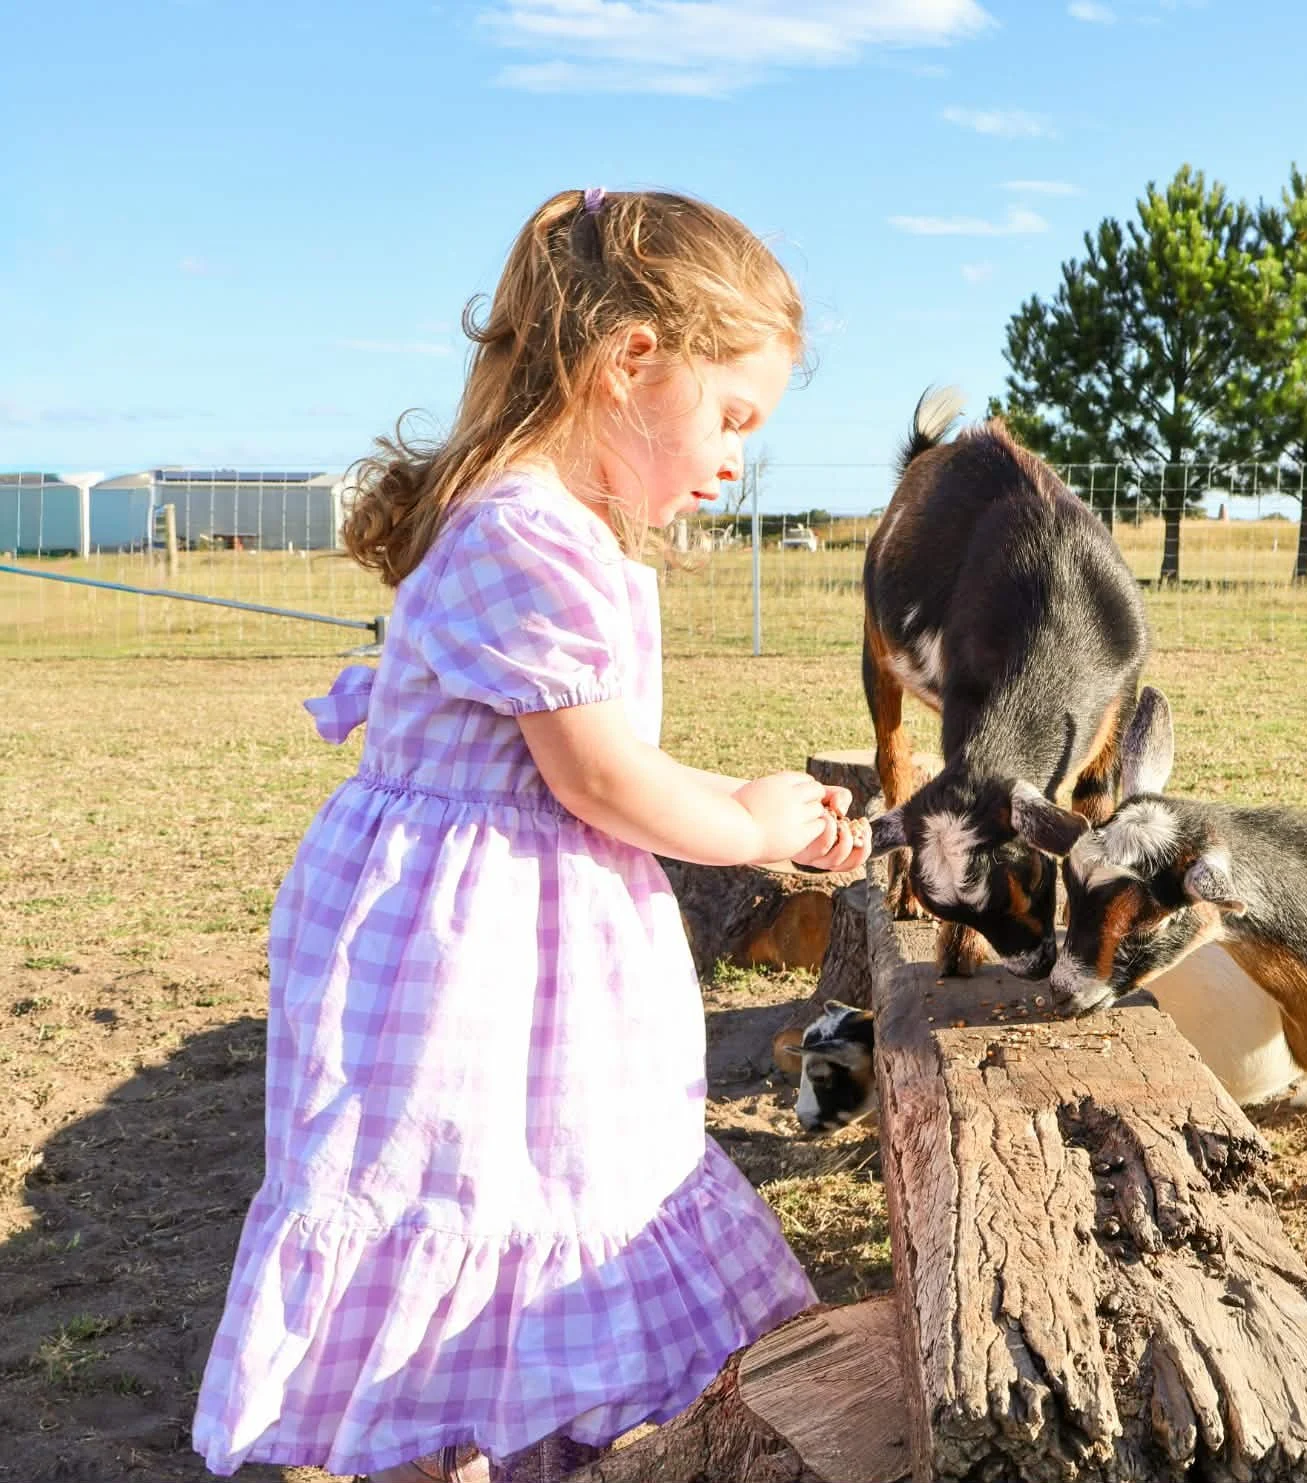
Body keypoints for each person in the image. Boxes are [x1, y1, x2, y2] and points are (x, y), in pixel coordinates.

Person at [191, 187, 868, 1483]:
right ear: (631, 363)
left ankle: (506, 1435)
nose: (736, 462)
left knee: (526, 1192)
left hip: (518, 943)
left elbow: (590, 766)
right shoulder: (525, 529)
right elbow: (602, 777)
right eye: (731, 418)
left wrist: (739, 803)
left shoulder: (549, 524)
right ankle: (443, 1438)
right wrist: (743, 818)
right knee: (465, 1193)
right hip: (468, 964)